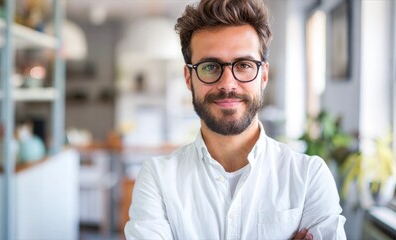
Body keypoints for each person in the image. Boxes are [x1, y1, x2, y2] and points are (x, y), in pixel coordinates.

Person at [125, 0, 347, 239]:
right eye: (210, 67)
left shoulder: (308, 177)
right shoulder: (157, 179)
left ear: (263, 76)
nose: (228, 84)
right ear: (189, 78)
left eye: (243, 65)